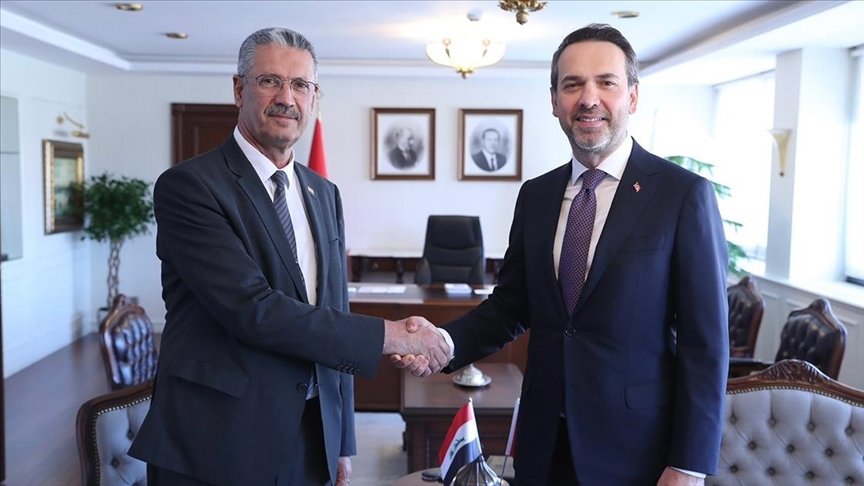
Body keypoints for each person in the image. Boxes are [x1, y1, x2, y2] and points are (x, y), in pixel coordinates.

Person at [398, 24, 729, 485]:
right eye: (572, 84)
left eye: (606, 83)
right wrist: (445, 345)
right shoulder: (536, 195)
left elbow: (705, 344)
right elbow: (511, 306)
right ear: (554, 101)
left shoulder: (682, 195)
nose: (588, 98)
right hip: (542, 446)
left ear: (632, 97)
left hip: (637, 452)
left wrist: (688, 465)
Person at [128, 27, 449, 486]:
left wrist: (342, 440)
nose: (287, 97)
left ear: (314, 97)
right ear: (239, 89)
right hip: (217, 439)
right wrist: (391, 336)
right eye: (269, 81)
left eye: (301, 85)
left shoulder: (324, 192)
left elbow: (333, 308)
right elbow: (254, 310)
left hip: (310, 433)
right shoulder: (190, 187)